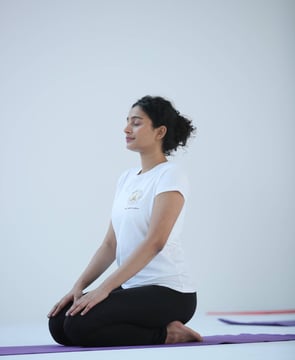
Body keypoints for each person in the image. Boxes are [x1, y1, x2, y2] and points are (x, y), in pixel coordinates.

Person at [48, 95, 202, 347]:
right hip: (133, 288)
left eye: (137, 122)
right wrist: (79, 287)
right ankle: (157, 329)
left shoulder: (170, 175)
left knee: (79, 325)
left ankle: (169, 334)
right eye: (127, 121)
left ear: (159, 132)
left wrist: (104, 289)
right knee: (59, 323)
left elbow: (155, 242)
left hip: (170, 292)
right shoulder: (127, 179)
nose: (126, 128)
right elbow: (110, 244)